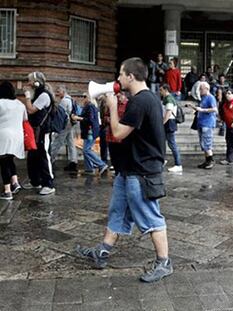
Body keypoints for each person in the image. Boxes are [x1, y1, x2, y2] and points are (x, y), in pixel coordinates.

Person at [76, 57, 173, 283]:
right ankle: (103, 251)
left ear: (130, 76)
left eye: (121, 73)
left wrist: (112, 107)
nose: (117, 78)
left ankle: (164, 262)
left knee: (150, 216)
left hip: (141, 171)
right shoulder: (143, 99)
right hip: (129, 169)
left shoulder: (141, 101)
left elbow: (119, 133)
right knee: (117, 211)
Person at [23, 71, 55, 195]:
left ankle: (48, 183)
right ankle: (35, 181)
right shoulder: (38, 94)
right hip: (36, 130)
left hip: (43, 131)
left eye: (30, 81)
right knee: (32, 156)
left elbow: (31, 110)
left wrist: (27, 97)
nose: (28, 83)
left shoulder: (44, 95)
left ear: (36, 82)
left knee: (43, 156)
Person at [0, 81, 26, 200]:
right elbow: (25, 118)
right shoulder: (20, 104)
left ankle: (7, 191)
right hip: (18, 135)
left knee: (4, 162)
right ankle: (15, 183)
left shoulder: (1, 103)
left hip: (4, 135)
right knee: (10, 159)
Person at [72, 94, 108, 175]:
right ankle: (89, 168)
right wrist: (77, 116)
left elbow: (90, 120)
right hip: (88, 131)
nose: (82, 98)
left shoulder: (90, 106)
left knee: (86, 150)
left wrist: (78, 118)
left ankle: (101, 164)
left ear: (89, 98)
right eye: (82, 96)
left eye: (84, 96)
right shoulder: (88, 106)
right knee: (86, 149)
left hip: (90, 131)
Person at [188, 82, 218, 169]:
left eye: (201, 89)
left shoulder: (210, 98)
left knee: (207, 143)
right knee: (203, 143)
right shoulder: (203, 98)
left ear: (206, 89)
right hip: (201, 123)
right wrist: (194, 107)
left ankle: (210, 161)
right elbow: (200, 109)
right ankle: (207, 160)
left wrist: (202, 110)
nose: (200, 90)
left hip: (207, 123)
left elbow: (214, 109)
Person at [50, 85, 78, 171]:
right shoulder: (70, 99)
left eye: (58, 91)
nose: (57, 93)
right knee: (71, 142)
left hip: (65, 123)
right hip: (70, 123)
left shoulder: (64, 101)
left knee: (58, 141)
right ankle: (73, 161)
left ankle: (50, 158)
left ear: (63, 91)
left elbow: (59, 114)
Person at [104, 92, 129, 175]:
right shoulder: (114, 104)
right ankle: (117, 172)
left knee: (122, 158)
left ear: (124, 95)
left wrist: (117, 120)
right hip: (111, 136)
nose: (118, 98)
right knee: (113, 157)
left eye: (120, 95)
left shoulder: (128, 105)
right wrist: (108, 119)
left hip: (121, 137)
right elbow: (106, 115)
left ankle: (122, 173)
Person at [160, 84, 183, 172]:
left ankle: (178, 164)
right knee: (165, 142)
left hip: (169, 122)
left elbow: (168, 113)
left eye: (161, 90)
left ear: (166, 90)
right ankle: (163, 159)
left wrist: (162, 123)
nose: (160, 92)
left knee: (172, 144)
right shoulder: (167, 98)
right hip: (169, 122)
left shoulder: (169, 99)